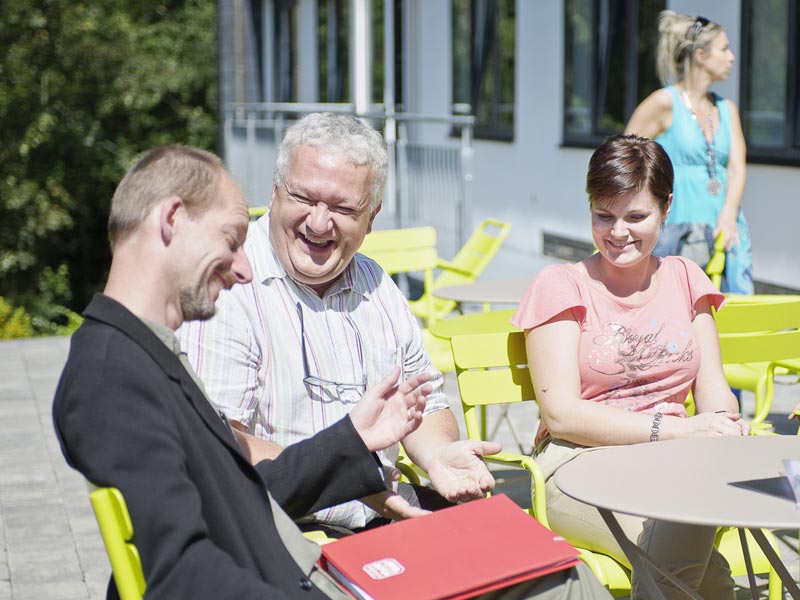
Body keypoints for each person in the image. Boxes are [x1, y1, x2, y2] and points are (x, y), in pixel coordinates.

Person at [53, 144, 611, 600]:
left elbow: (240, 488)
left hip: (321, 563)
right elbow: (179, 571)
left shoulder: (138, 355)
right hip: (305, 572)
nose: (244, 268)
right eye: (232, 239)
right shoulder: (113, 375)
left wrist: (353, 443)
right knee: (565, 583)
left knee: (553, 564)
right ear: (172, 220)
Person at [177, 112, 499, 536]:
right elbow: (220, 444)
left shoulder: (377, 285)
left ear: (372, 217)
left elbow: (426, 404)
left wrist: (438, 455)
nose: (318, 222)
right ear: (274, 192)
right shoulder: (229, 286)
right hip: (280, 526)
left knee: (514, 550)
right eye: (304, 198)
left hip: (380, 514)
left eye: (343, 207)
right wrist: (347, 476)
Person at [511, 134, 750, 600]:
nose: (617, 232)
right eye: (604, 215)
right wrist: (680, 430)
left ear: (666, 207)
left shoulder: (685, 276)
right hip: (579, 463)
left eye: (636, 217)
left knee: (698, 563)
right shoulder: (561, 285)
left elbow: (714, 389)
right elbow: (562, 416)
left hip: (677, 463)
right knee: (680, 550)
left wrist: (722, 425)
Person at [625, 10, 753, 294]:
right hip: (677, 231)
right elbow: (623, 162)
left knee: (731, 311)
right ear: (701, 56)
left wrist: (729, 214)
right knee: (676, 305)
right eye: (724, 49)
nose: (732, 57)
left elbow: (737, 168)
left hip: (725, 229)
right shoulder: (663, 103)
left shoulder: (727, 109)